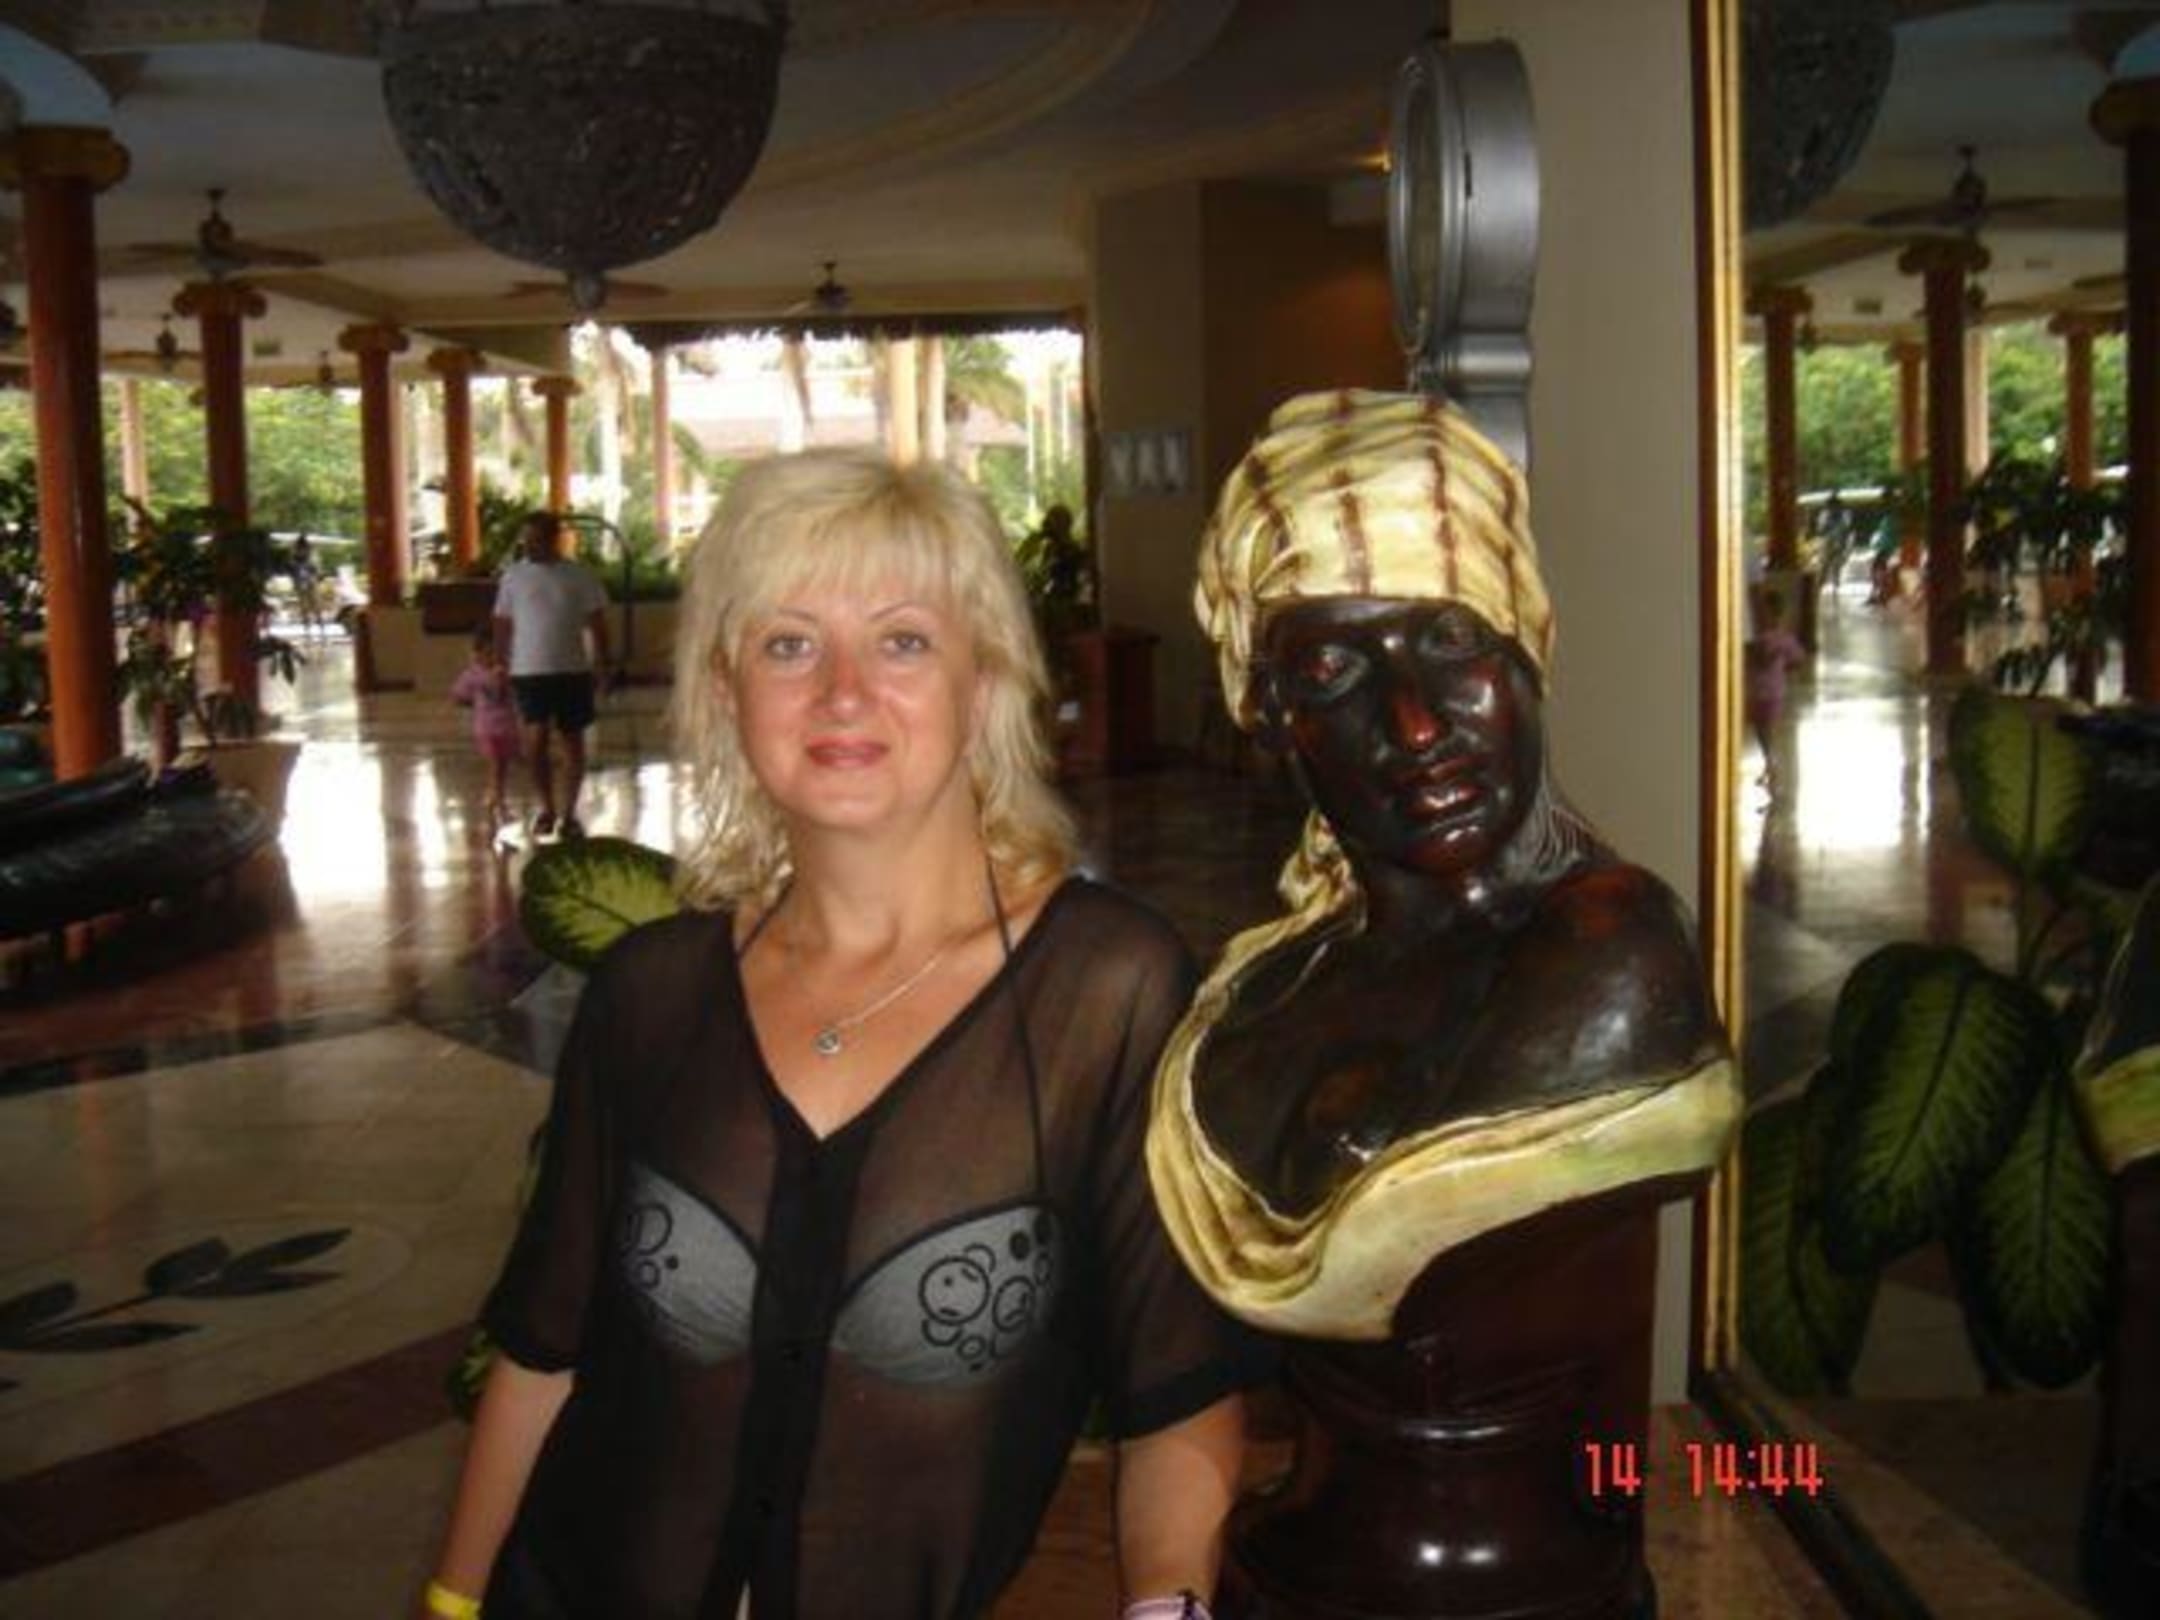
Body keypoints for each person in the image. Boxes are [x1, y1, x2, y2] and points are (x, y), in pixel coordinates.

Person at [426, 450, 1251, 1620]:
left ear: (986, 681)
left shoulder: (1105, 991)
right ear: (728, 692)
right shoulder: (653, 993)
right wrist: (452, 1606)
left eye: (903, 640)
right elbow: (543, 1353)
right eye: (788, 644)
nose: (843, 693)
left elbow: (1180, 1395)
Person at [1148, 389, 1736, 1341]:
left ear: (1526, 651)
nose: (1415, 725)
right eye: (1335, 671)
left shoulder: (1612, 958)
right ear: (1274, 718)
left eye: (1452, 641)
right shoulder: (1274, 971)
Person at [492, 512, 612, 839]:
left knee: (573, 742)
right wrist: (499, 662)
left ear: (553, 539)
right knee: (536, 742)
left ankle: (569, 812)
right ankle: (547, 807)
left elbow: (597, 622)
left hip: (572, 670)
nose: (530, 545)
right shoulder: (513, 577)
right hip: (528, 670)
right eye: (526, 540)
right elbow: (502, 621)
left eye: (536, 539)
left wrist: (603, 664)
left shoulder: (579, 576)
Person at [450, 625, 522, 826]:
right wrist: (474, 701)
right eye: (487, 653)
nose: (492, 658)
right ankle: (499, 803)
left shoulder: (507, 671)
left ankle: (493, 795)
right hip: (488, 729)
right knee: (496, 766)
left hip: (507, 727)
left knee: (502, 766)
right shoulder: (474, 674)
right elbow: (457, 695)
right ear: (478, 653)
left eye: (496, 653)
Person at [1745, 594, 1808, 797]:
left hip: (1764, 692)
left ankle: (1771, 764)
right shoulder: (1782, 638)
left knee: (1764, 731)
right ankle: (1769, 763)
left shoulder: (1763, 639)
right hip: (1770, 691)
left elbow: (1757, 657)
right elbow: (1799, 658)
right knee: (1764, 730)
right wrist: (1784, 666)